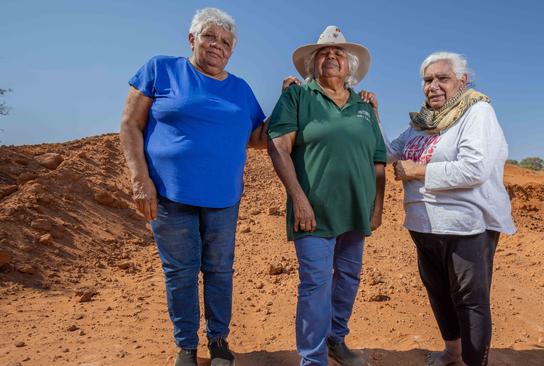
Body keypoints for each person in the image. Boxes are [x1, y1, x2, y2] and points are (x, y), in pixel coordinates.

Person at [119, 8, 267, 366]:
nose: (217, 45)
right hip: (169, 196)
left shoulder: (241, 89)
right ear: (192, 39)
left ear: (231, 50)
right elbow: (129, 124)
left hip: (223, 199)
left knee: (219, 270)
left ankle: (219, 342)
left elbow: (260, 138)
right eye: (209, 37)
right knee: (180, 272)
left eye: (225, 42)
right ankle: (186, 345)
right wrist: (140, 180)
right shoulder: (161, 69)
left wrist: (294, 101)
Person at [360, 52, 516, 366]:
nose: (433, 86)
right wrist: (374, 115)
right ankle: (453, 353)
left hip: (466, 227)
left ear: (462, 81)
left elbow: (475, 168)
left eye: (442, 78)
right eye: (428, 80)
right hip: (423, 226)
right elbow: (388, 153)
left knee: (470, 302)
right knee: (440, 295)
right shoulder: (420, 123)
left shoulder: (477, 113)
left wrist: (418, 171)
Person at [268, 26, 386, 366]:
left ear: (350, 66)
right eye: (323, 53)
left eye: (338, 53)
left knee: (348, 279)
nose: (331, 56)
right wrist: (299, 199)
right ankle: (312, 358)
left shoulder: (364, 108)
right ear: (312, 64)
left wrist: (376, 208)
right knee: (315, 285)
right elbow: (278, 146)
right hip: (313, 213)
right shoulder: (297, 96)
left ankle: (336, 340)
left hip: (355, 211)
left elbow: (378, 162)